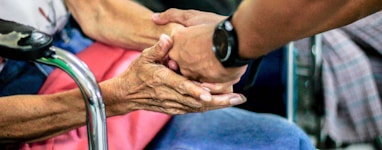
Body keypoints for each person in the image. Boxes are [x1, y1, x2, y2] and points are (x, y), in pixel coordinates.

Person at [0, 0, 316, 150]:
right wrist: (119, 96)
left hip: (83, 43)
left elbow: (97, 10)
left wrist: (193, 39)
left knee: (286, 138)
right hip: (37, 89)